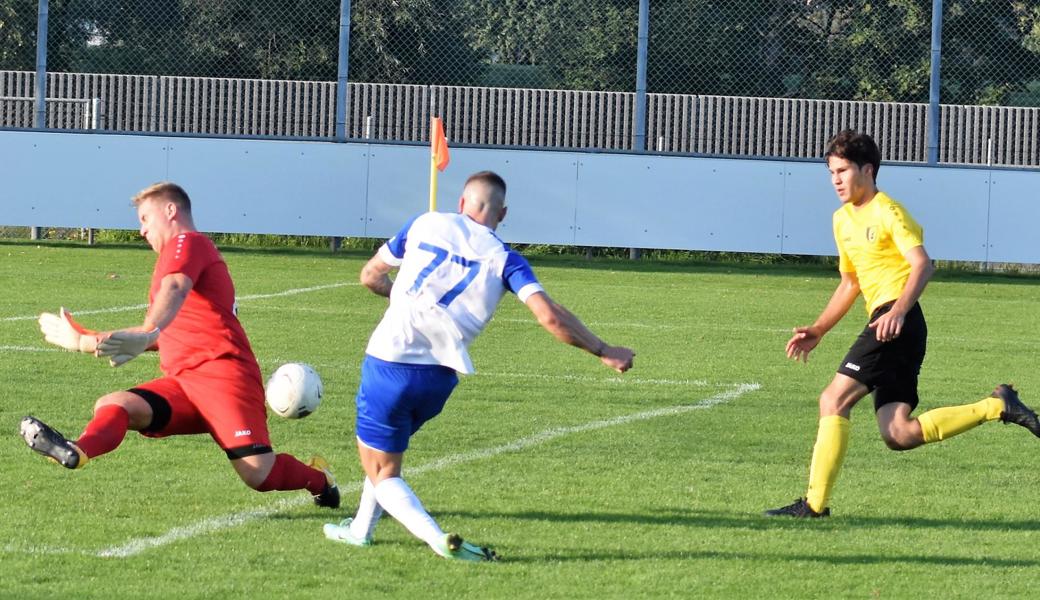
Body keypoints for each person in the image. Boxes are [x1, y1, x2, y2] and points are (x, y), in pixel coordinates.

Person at [322, 171, 635, 560]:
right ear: (502, 214)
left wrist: (402, 296)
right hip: (438, 379)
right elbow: (551, 317)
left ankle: (438, 540)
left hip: (389, 363)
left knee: (383, 472)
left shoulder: (424, 222)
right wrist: (604, 350)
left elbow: (370, 276)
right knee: (386, 453)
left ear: (461, 203)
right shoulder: (505, 259)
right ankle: (360, 531)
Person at [765, 130, 1040, 518]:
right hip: (896, 324)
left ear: (868, 169)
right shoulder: (842, 220)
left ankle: (814, 505)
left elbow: (923, 264)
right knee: (898, 433)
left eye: (843, 171)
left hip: (894, 320)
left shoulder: (888, 211)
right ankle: (996, 406)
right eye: (831, 173)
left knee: (833, 399)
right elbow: (851, 282)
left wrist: (897, 311)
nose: (836, 180)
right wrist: (819, 328)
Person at [20, 182, 339, 509]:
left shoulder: (188, 243)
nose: (142, 230)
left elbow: (172, 291)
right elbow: (165, 333)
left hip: (224, 379)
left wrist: (141, 332)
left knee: (260, 474)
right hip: (184, 383)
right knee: (117, 403)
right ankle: (77, 450)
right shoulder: (177, 260)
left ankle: (319, 479)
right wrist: (87, 341)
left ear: (171, 211)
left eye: (145, 219)